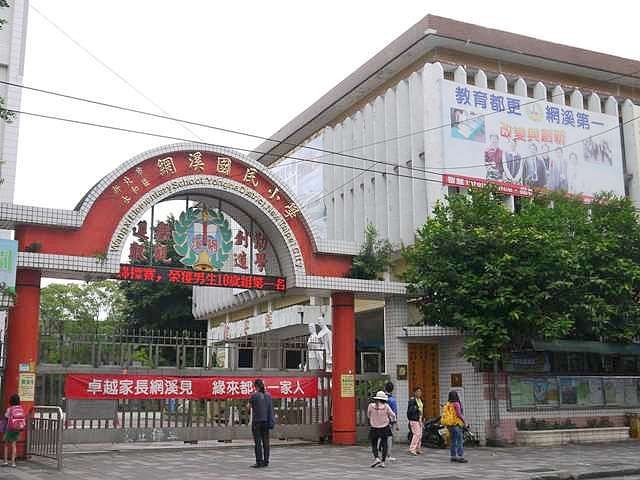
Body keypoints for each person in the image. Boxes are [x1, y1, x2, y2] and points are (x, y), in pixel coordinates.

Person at [249, 379, 275, 468]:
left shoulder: (254, 395)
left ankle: (259, 461)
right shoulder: (268, 395)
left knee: (258, 442)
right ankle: (266, 461)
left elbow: (249, 406)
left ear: (256, 386)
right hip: (266, 421)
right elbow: (270, 408)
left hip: (257, 422)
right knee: (266, 442)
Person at [367, 390, 396, 468]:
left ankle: (376, 458)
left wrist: (373, 419)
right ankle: (383, 462)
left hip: (374, 427)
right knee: (384, 444)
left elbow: (368, 415)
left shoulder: (371, 406)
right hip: (384, 427)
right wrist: (392, 421)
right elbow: (393, 415)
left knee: (374, 444)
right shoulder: (386, 406)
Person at [441, 390, 467, 463]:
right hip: (456, 424)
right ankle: (460, 456)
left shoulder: (448, 404)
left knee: (452, 440)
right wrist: (464, 421)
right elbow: (459, 414)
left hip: (449, 425)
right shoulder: (456, 404)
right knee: (459, 440)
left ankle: (453, 456)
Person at [3, 394, 25, 468]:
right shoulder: (20, 408)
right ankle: (13, 463)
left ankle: (5, 461)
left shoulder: (10, 409)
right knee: (14, 445)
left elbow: (6, 416)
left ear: (11, 401)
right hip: (17, 428)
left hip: (10, 428)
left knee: (6, 444)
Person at [382, 382, 398, 461]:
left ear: (385, 388)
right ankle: (388, 455)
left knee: (381, 437)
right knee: (389, 438)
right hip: (389, 422)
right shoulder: (392, 400)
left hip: (380, 421)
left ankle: (379, 453)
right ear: (392, 389)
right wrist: (395, 423)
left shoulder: (381, 399)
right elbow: (394, 413)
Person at [407, 386, 424, 455]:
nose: (419, 393)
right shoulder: (412, 400)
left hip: (419, 418)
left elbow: (421, 409)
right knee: (417, 434)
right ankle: (412, 449)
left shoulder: (420, 400)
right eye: (418, 391)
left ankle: (418, 448)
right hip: (414, 419)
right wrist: (416, 409)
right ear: (414, 392)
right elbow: (410, 411)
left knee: (420, 435)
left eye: (420, 391)